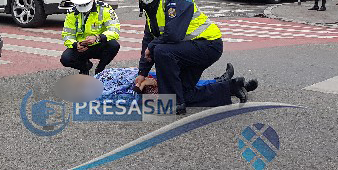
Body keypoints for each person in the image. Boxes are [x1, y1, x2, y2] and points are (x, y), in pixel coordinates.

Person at [122, 0, 225, 115]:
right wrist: (142, 73)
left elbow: (173, 35)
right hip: (190, 48)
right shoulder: (151, 6)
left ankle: (173, 103)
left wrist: (151, 47)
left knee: (161, 51)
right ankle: (231, 87)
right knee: (185, 93)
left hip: (208, 45)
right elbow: (148, 39)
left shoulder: (175, 0)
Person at [94, 63, 256, 106]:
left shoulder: (100, 75)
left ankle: (223, 83)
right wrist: (142, 85)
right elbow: (127, 100)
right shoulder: (96, 94)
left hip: (145, 78)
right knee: (185, 92)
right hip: (146, 92)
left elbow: (125, 72)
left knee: (184, 83)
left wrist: (143, 74)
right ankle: (229, 86)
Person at [60, 0, 122, 75]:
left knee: (114, 45)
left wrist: (98, 38)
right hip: (81, 47)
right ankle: (85, 67)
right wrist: (75, 44)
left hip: (99, 44)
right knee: (65, 59)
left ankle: (100, 70)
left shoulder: (104, 8)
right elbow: (67, 34)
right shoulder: (72, 12)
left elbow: (114, 30)